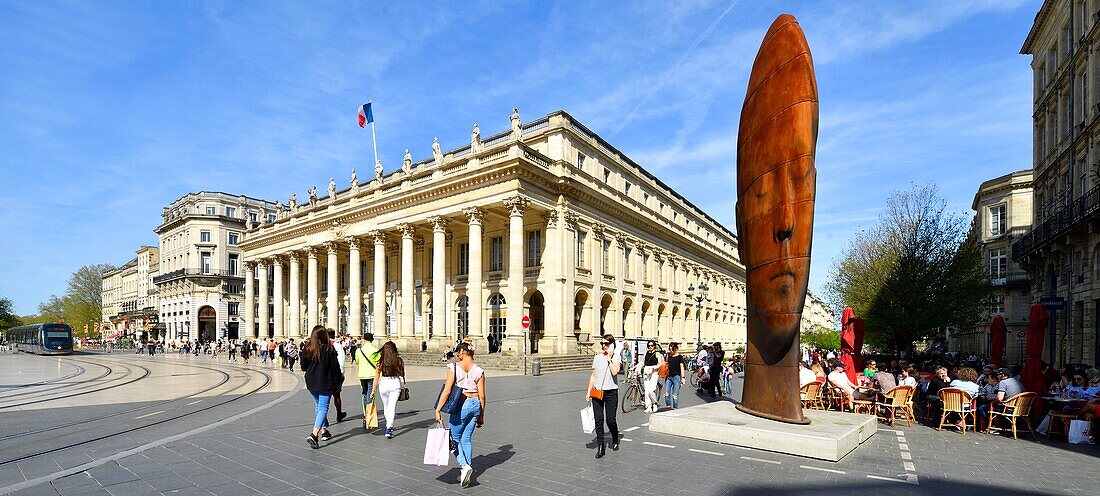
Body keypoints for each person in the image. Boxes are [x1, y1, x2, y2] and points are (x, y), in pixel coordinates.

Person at [434, 342, 485, 488]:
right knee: (467, 439)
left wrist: (438, 409)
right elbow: (482, 396)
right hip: (475, 403)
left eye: (458, 352)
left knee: (453, 439)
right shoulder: (479, 370)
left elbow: (447, 390)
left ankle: (464, 466)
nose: (457, 354)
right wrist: (481, 415)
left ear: (463, 352)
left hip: (462, 404)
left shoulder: (453, 367)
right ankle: (466, 473)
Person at [301, 326, 340, 449]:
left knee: (318, 406)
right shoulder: (329, 348)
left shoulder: (307, 348)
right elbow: (335, 368)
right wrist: (339, 378)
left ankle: (324, 432)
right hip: (325, 382)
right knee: (323, 408)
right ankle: (314, 434)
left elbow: (303, 367)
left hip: (311, 382)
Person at [586, 334, 622, 459]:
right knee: (598, 420)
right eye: (602, 343)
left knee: (610, 420)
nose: (604, 346)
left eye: (606, 343)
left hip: (611, 392)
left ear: (612, 345)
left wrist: (609, 358)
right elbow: (593, 375)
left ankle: (615, 437)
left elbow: (615, 371)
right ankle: (601, 446)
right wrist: (589, 391)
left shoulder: (616, 357)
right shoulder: (597, 358)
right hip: (597, 392)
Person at [370, 341, 405, 439]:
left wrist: (373, 390)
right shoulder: (399, 360)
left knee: (386, 406)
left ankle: (388, 425)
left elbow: (376, 377)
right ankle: (389, 427)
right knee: (392, 407)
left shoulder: (380, 361)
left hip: (384, 383)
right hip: (395, 383)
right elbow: (402, 374)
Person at [352, 333, 380, 429]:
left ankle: (365, 416)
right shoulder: (376, 350)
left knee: (364, 394)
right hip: (372, 375)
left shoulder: (359, 350)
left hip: (362, 375)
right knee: (371, 395)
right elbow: (378, 364)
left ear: (363, 339)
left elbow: (357, 361)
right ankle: (369, 417)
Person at [636, 340, 664, 413]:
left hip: (654, 371)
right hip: (646, 370)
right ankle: (648, 406)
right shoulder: (646, 353)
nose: (650, 347)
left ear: (654, 346)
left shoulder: (657, 353)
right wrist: (636, 368)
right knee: (647, 390)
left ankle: (654, 403)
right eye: (648, 346)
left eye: (651, 345)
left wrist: (653, 368)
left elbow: (660, 363)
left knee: (652, 390)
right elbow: (642, 362)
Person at [331, 331, 348, 423]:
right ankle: (339, 414)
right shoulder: (337, 346)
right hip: (335, 374)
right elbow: (341, 359)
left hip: (324, 376)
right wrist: (341, 373)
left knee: (324, 397)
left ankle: (324, 419)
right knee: (336, 395)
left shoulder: (321, 345)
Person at [663, 342, 685, 409]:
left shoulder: (679, 357)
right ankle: (668, 407)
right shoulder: (668, 356)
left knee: (675, 395)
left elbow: (682, 367)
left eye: (672, 349)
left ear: (675, 349)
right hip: (669, 377)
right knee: (666, 394)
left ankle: (675, 409)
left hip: (676, 377)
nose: (671, 351)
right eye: (670, 349)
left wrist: (683, 377)